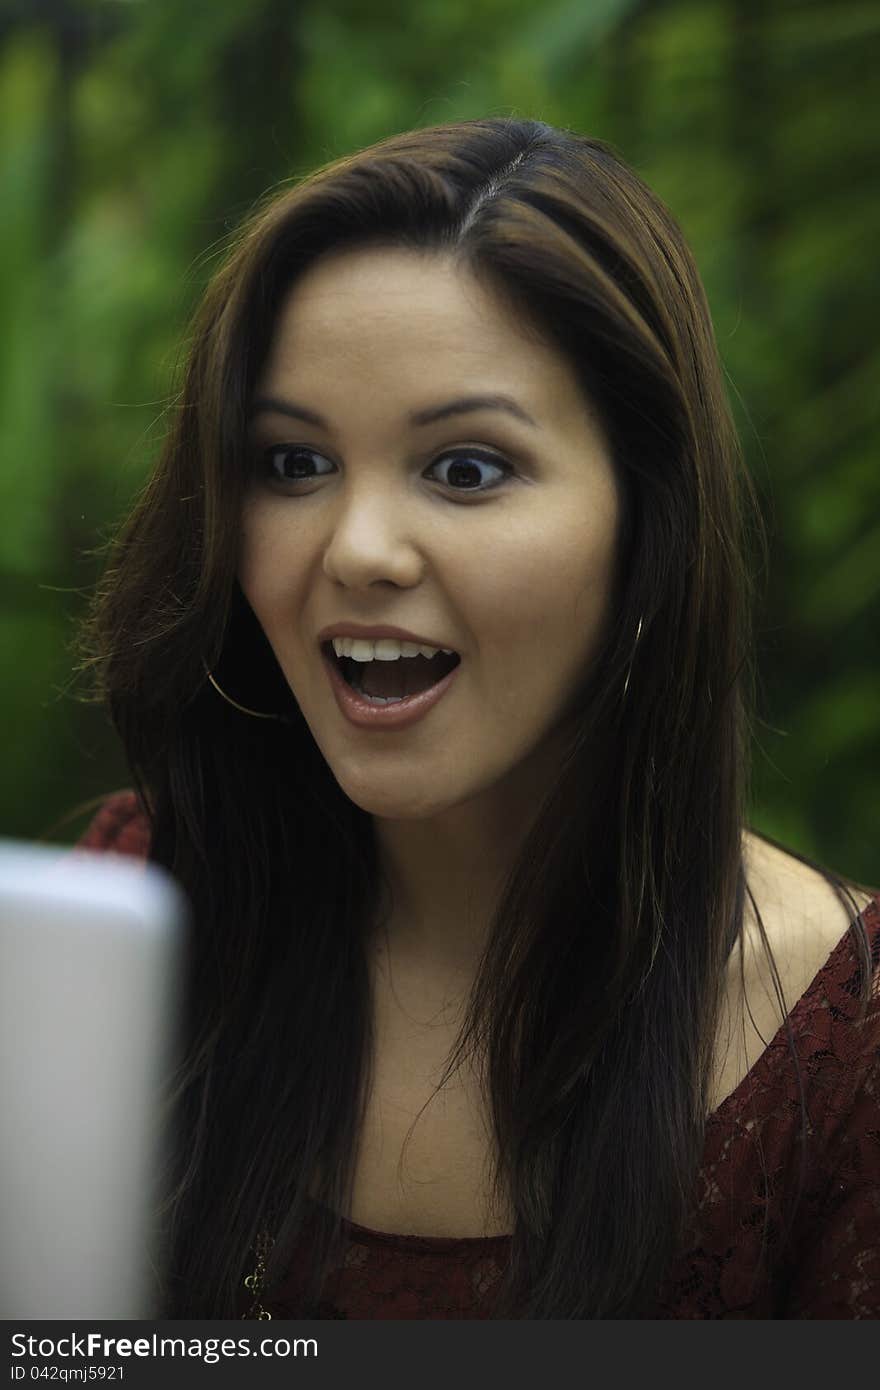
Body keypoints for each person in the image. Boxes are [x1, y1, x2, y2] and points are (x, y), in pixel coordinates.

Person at [75, 116, 879, 1319]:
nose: (355, 549)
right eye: (292, 465)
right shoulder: (138, 909)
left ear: (645, 526)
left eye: (465, 470)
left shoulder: (843, 1062)